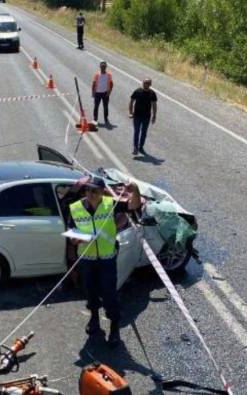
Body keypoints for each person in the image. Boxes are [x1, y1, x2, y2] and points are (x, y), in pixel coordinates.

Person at [67, 176, 140, 347]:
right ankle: (94, 320)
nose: (90, 194)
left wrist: (135, 190)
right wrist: (74, 240)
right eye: (88, 190)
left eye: (95, 191)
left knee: (110, 295)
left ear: (102, 192)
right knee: (90, 292)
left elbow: (134, 205)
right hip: (86, 259)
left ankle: (114, 329)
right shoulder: (75, 208)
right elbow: (70, 230)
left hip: (107, 259)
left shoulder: (111, 204)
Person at [128, 78, 157, 155]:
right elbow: (131, 102)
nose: (145, 84)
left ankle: (141, 146)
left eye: (147, 83)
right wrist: (131, 113)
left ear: (150, 84)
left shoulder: (152, 93)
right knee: (137, 131)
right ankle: (135, 147)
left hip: (146, 117)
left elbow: (154, 105)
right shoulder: (137, 91)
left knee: (144, 132)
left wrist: (154, 116)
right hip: (137, 115)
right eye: (144, 83)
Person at [92, 61, 113, 125]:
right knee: (96, 106)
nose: (103, 67)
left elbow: (111, 84)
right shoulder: (97, 74)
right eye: (102, 66)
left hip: (105, 93)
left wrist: (109, 92)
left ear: (106, 67)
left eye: (104, 66)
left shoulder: (109, 75)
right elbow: (94, 83)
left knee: (105, 107)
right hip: (97, 93)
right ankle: (95, 118)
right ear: (100, 67)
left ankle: (106, 118)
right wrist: (93, 92)